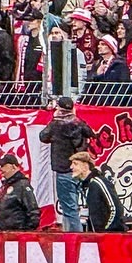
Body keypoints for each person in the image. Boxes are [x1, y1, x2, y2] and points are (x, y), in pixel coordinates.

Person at [39, 96, 95, 232]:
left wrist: (53, 119)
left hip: (63, 170)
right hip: (80, 170)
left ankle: (75, 237)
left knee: (69, 208)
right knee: (77, 206)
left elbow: (43, 136)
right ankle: (71, 233)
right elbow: (90, 133)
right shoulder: (78, 123)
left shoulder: (55, 124)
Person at [71, 151, 125, 232]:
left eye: (75, 164)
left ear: (85, 166)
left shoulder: (98, 182)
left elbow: (116, 208)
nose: (71, 167)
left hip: (110, 237)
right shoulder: (84, 185)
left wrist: (107, 230)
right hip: (96, 236)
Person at [0, 153, 41, 231]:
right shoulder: (6, 186)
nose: (0, 169)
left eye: (3, 166)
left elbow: (33, 211)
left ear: (13, 167)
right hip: (3, 234)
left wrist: (25, 234)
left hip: (17, 235)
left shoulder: (22, 185)